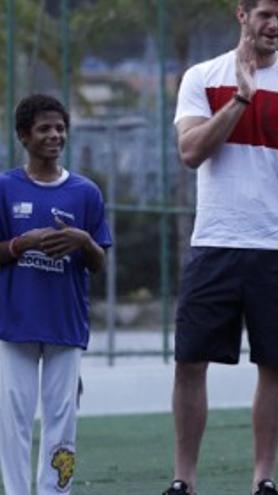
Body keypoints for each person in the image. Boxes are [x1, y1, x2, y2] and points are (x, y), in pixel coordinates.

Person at [164, 0, 278, 494]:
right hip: (215, 241)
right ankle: (184, 481)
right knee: (190, 361)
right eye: (266, 15)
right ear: (242, 14)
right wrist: (238, 100)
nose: (275, 25)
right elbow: (191, 153)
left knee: (273, 364)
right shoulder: (202, 76)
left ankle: (263, 480)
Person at [0, 94, 112, 494]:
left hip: (65, 323)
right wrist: (20, 244)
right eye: (45, 128)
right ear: (24, 136)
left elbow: (99, 263)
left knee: (62, 417)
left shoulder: (86, 193)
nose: (55, 135)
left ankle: (54, 491)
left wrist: (83, 241)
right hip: (15, 324)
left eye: (60, 128)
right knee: (11, 418)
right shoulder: (5, 187)